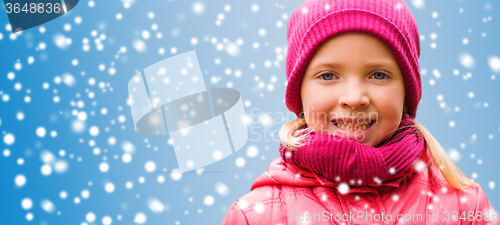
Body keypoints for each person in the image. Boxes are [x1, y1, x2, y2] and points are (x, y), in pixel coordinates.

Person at [221, 0, 499, 224]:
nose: (354, 98)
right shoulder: (257, 216)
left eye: (378, 75)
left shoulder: (464, 208)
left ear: (407, 92)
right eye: (328, 75)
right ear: (300, 94)